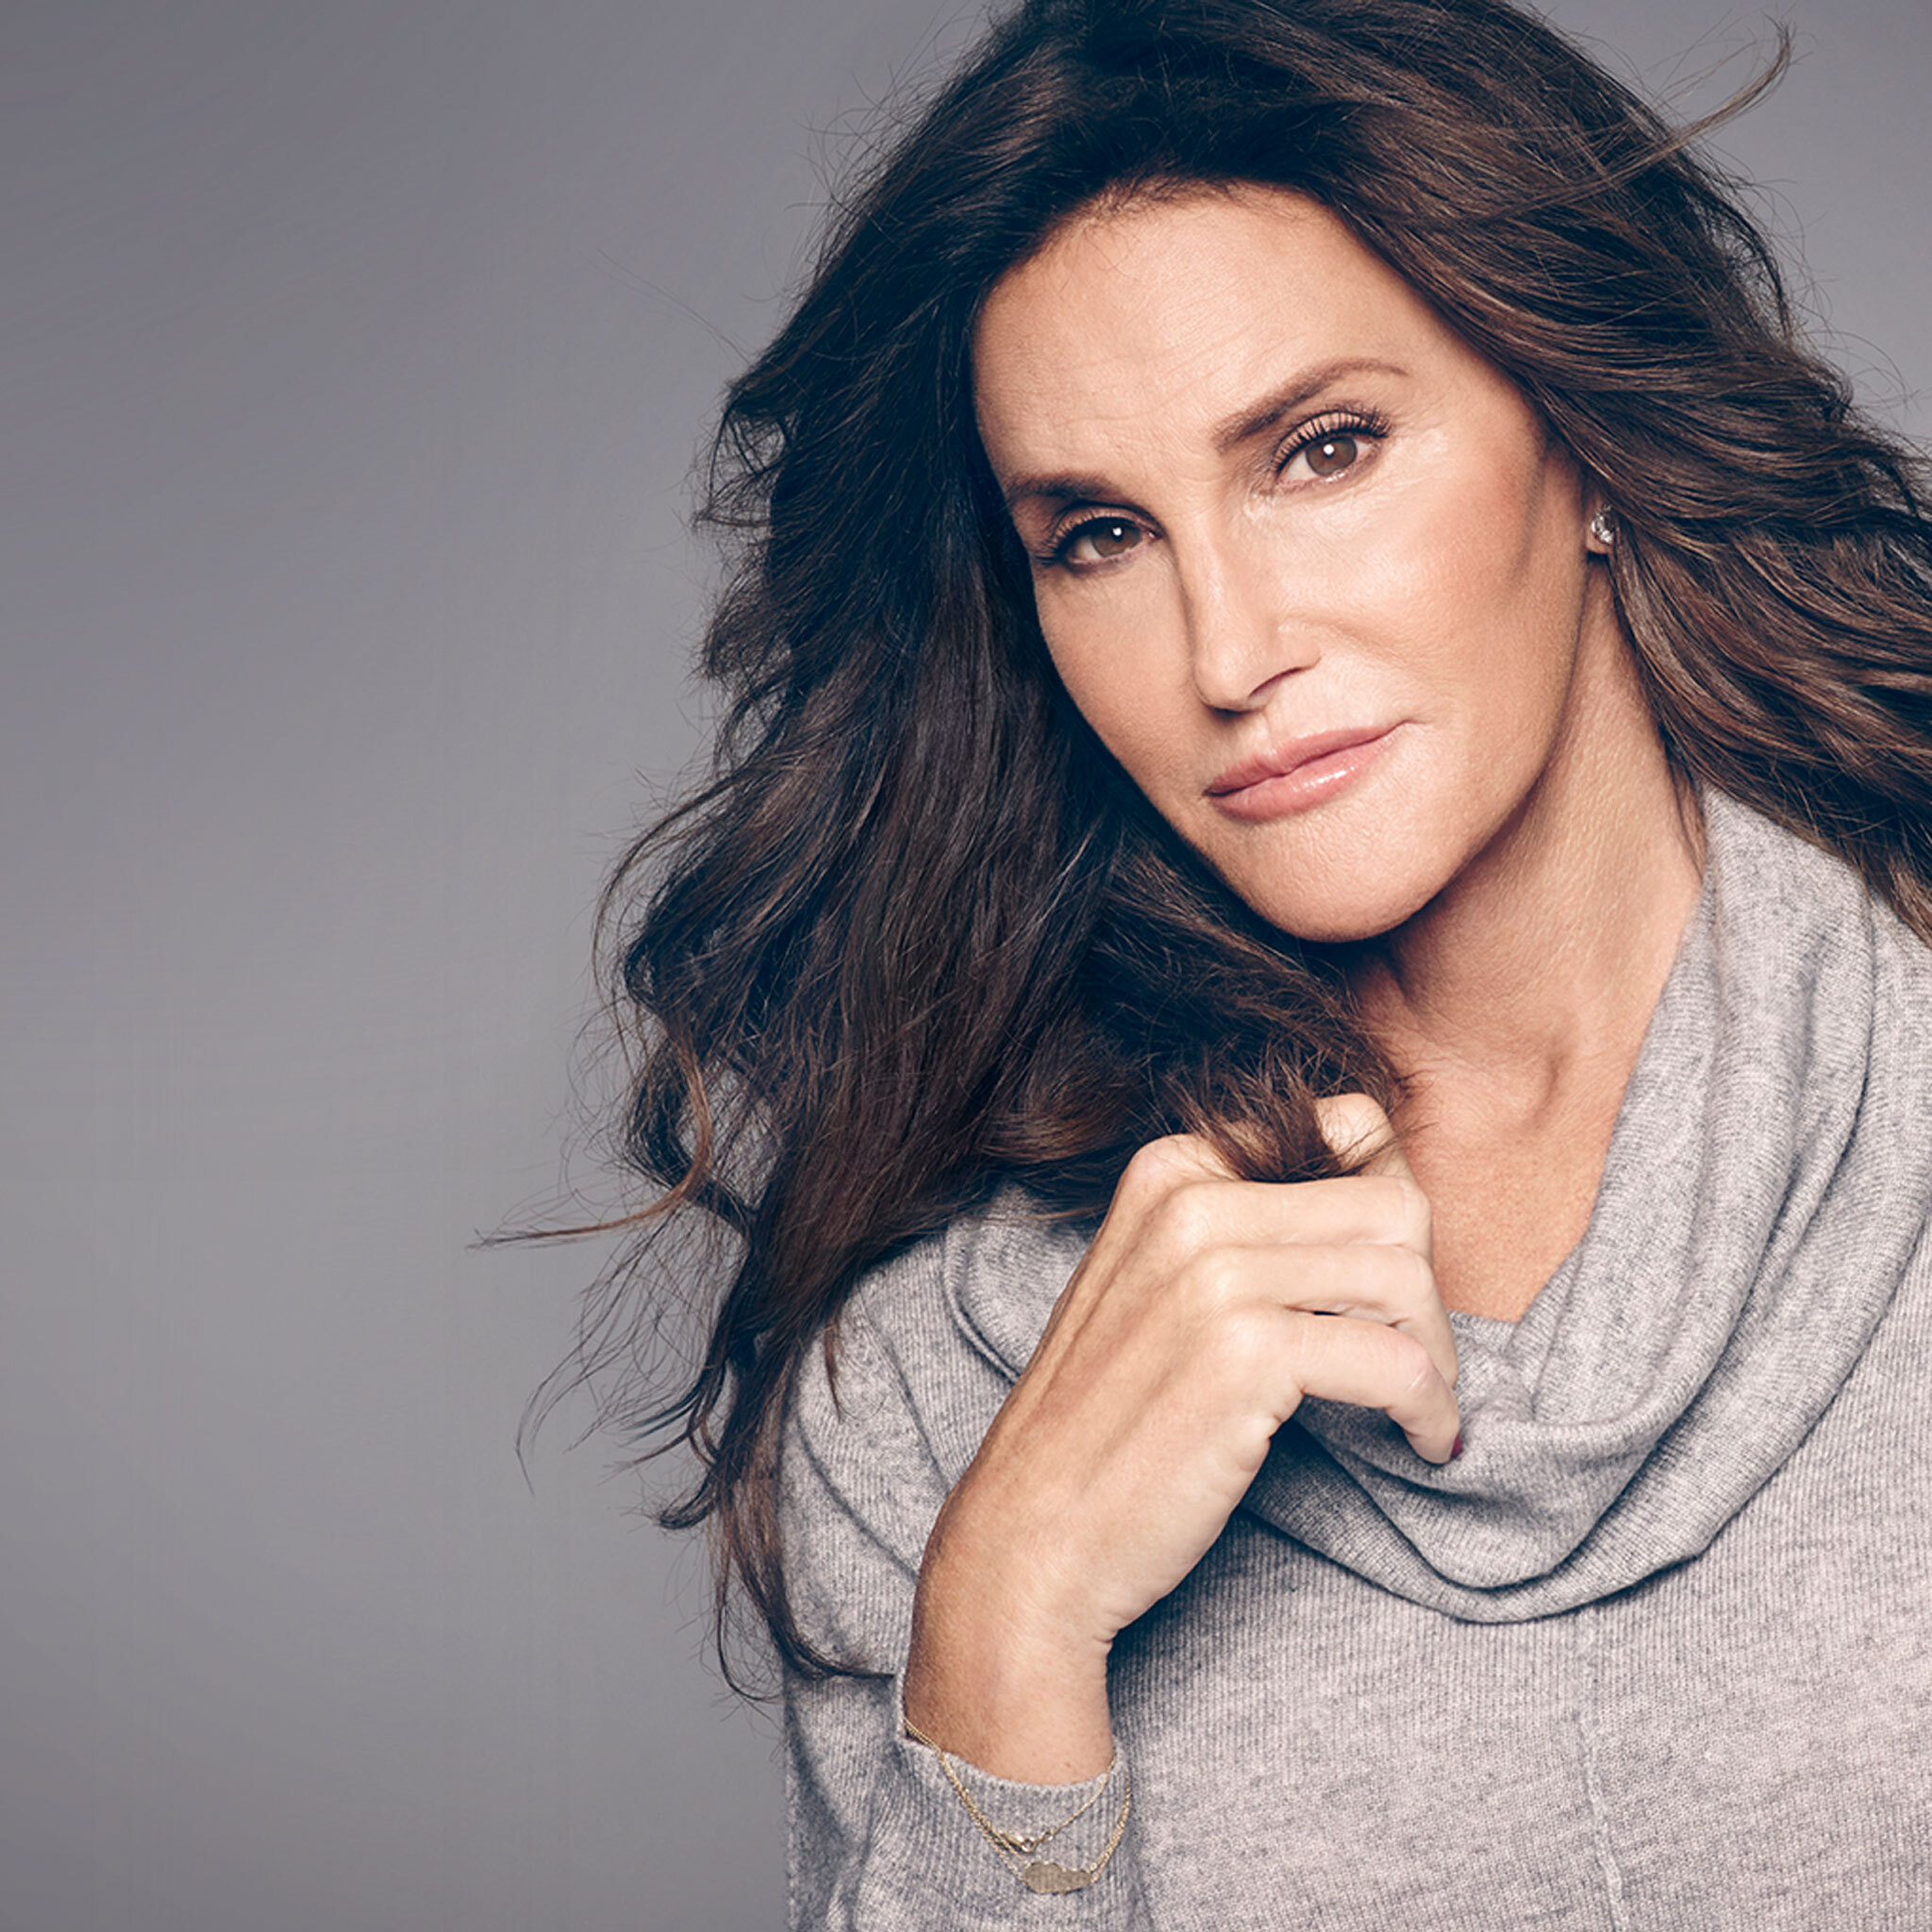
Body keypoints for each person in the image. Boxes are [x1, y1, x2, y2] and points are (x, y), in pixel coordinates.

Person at [578, 0, 1932, 1922]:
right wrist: (1006, 1626)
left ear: (1587, 437)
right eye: (1099, 535)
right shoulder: (957, 1377)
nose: (1226, 651)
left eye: (1321, 449)